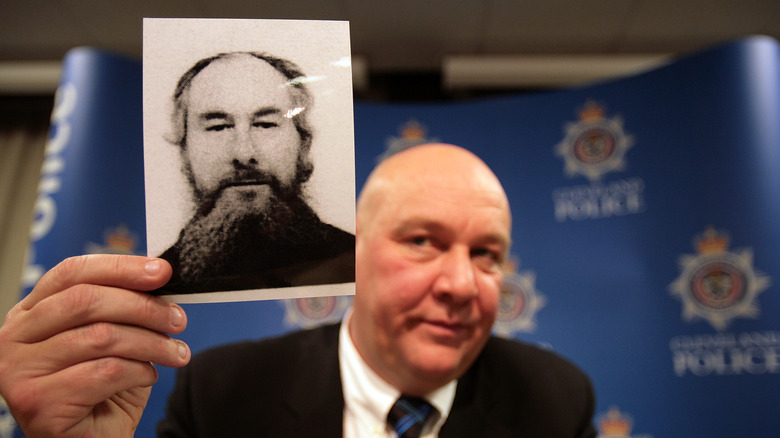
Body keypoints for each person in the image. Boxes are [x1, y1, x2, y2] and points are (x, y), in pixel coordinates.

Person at [0, 144, 596, 438]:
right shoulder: (223, 397)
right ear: (351, 252)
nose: (462, 284)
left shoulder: (554, 403)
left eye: (486, 254)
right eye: (422, 241)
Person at [157, 51, 355, 294]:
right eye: (218, 127)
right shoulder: (158, 283)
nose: (243, 153)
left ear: (302, 144)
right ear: (184, 151)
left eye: (265, 124)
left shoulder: (359, 264)